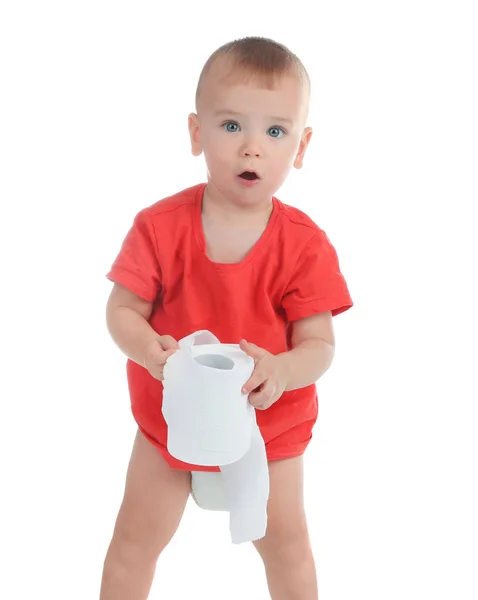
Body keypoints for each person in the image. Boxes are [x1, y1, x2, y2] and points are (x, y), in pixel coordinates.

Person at [100, 36, 353, 600]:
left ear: (302, 146)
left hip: (270, 430)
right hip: (169, 420)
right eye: (232, 126)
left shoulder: (305, 245)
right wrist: (148, 350)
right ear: (197, 134)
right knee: (133, 542)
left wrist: (284, 371)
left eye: (275, 131)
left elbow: (320, 345)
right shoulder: (159, 226)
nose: (252, 150)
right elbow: (121, 309)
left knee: (288, 548)